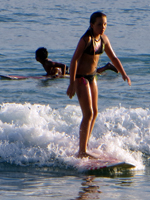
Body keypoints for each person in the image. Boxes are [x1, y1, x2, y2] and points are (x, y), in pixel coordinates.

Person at [66, 11, 131, 159]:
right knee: (87, 113)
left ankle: (84, 146)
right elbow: (74, 60)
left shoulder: (103, 39)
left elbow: (113, 57)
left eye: (105, 24)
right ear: (92, 25)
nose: (103, 27)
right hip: (80, 78)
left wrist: (123, 73)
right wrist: (71, 84)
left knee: (95, 113)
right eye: (100, 24)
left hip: (92, 77)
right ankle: (82, 152)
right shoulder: (85, 40)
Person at [35, 47, 118, 77]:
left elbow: (63, 65)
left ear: (39, 57)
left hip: (69, 72)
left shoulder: (47, 63)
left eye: (36, 56)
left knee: (88, 73)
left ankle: (107, 66)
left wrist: (63, 75)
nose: (35, 57)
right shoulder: (44, 63)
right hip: (68, 71)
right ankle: (103, 72)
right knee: (90, 73)